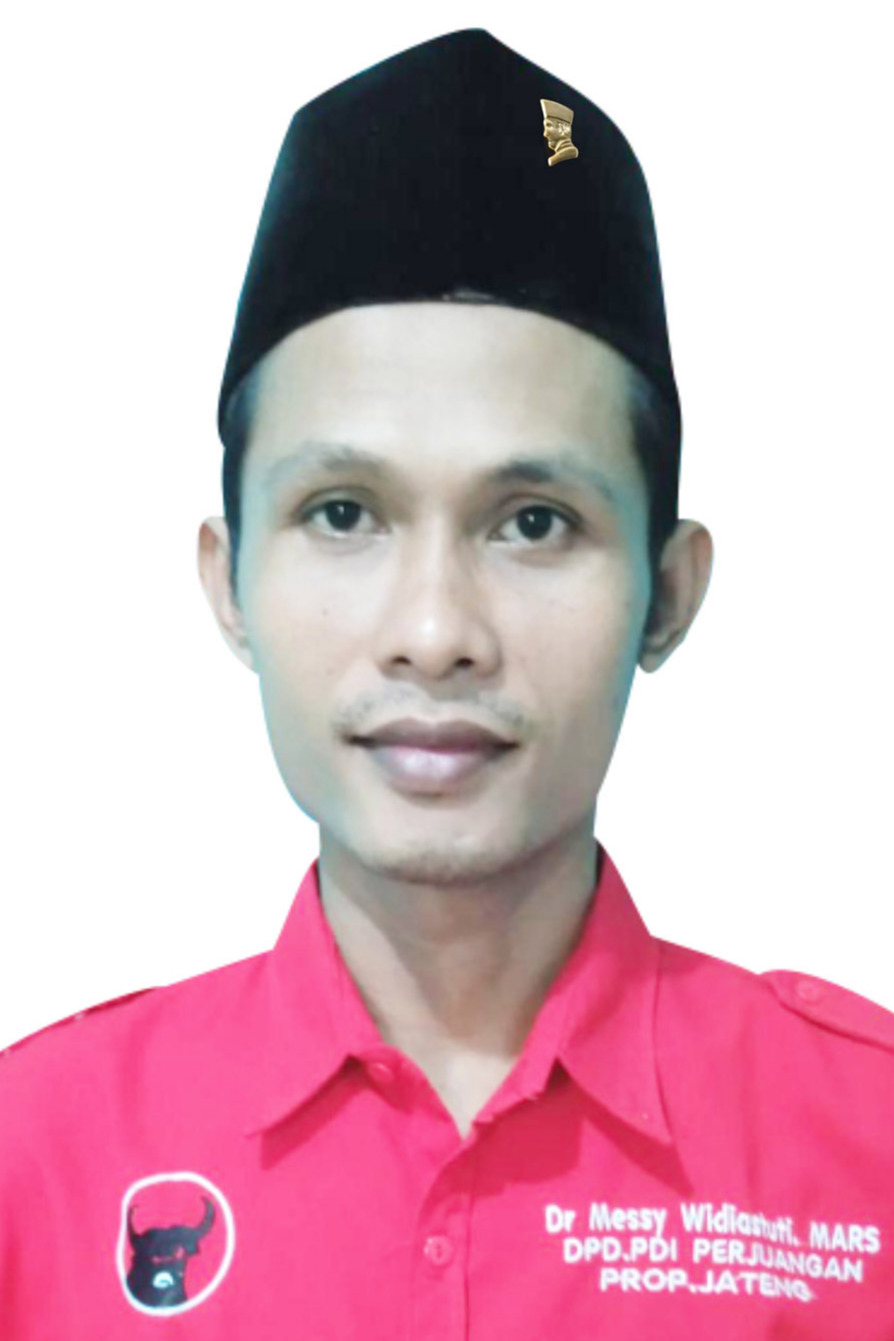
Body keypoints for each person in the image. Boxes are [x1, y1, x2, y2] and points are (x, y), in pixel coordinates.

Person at [2, 26, 893, 1338]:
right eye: (343, 512)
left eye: (531, 523)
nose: (433, 632)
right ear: (229, 581)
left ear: (669, 592)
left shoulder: (863, 1147)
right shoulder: (38, 1160)